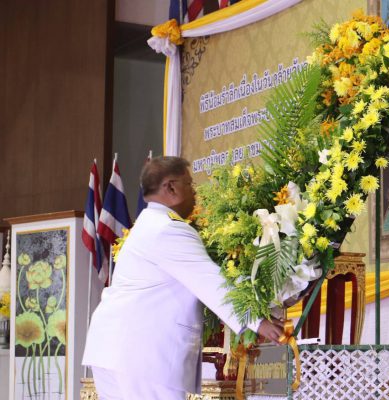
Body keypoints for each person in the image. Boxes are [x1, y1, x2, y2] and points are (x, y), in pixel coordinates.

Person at [82, 156, 284, 399]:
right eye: (189, 184)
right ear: (171, 187)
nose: (194, 192)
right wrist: (258, 321)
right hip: (143, 358)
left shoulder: (146, 225)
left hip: (117, 351)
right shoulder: (169, 229)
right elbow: (210, 281)